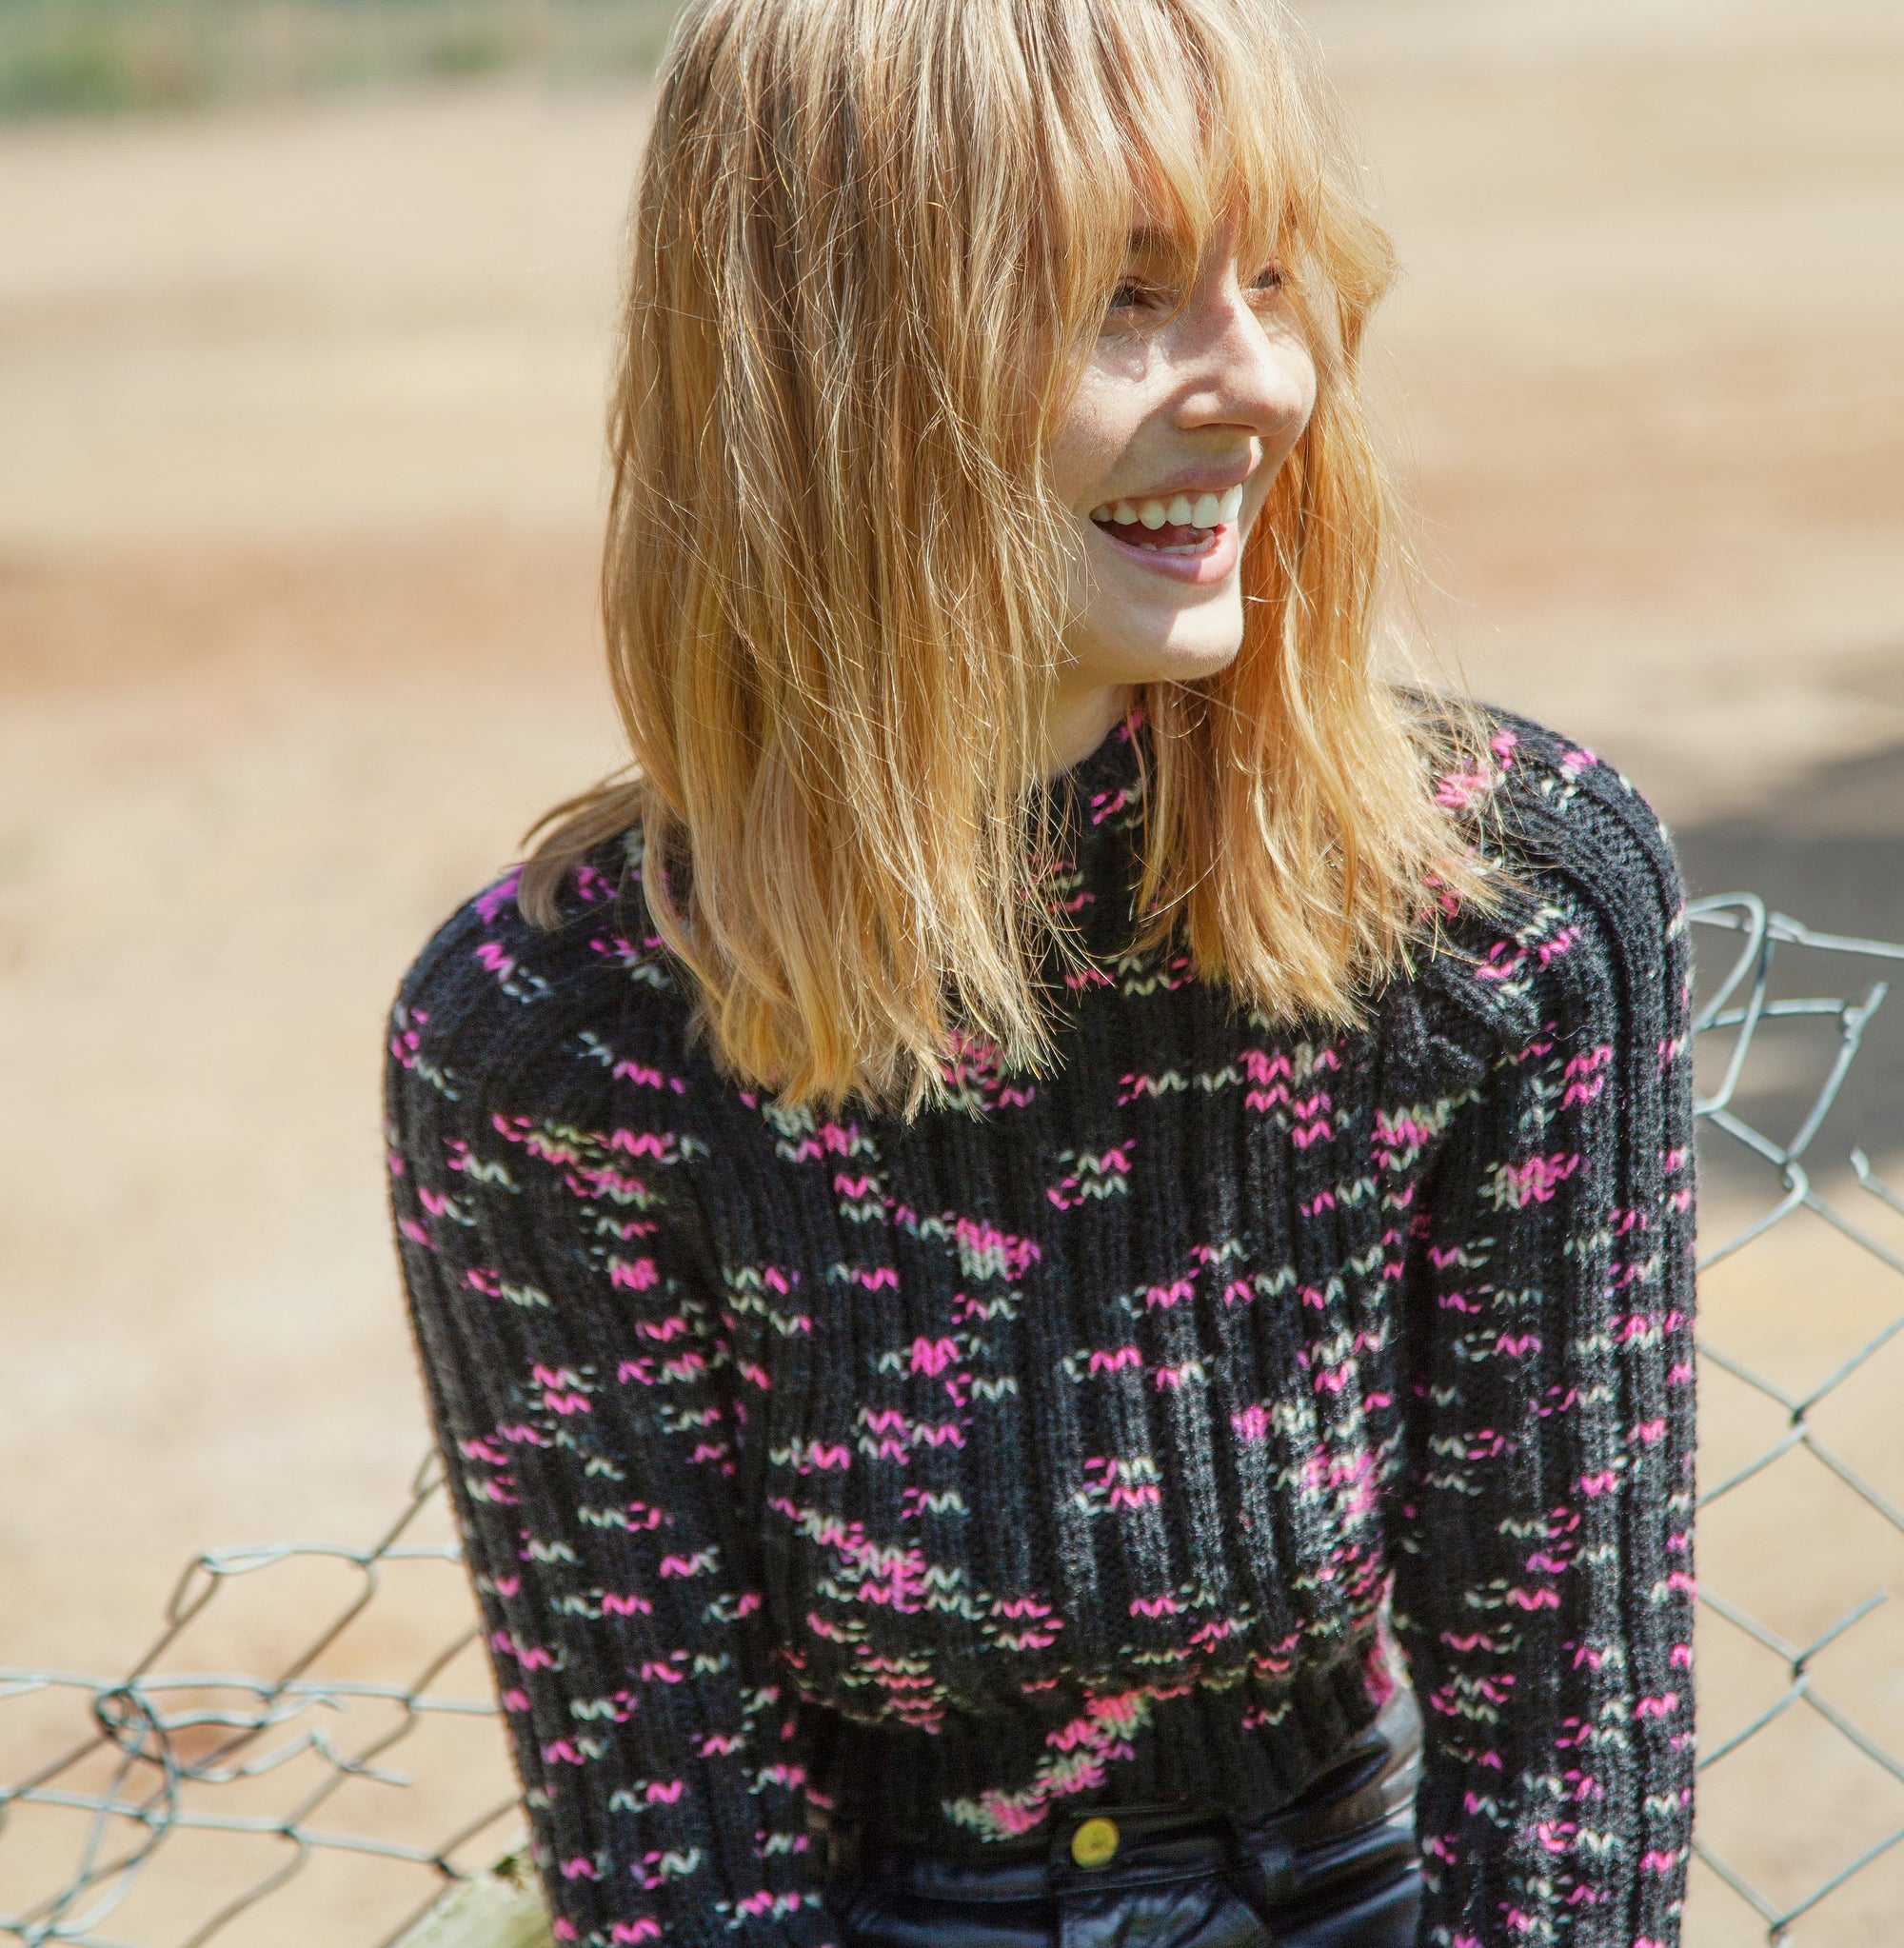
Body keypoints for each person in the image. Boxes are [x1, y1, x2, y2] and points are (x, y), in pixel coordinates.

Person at [385, 0, 1697, 1942]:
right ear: (831, 362)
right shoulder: (559, 1050)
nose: (1260, 380)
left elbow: (1572, 1771)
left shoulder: (1499, 913)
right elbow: (684, 1868)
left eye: (1273, 275)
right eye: (1124, 297)